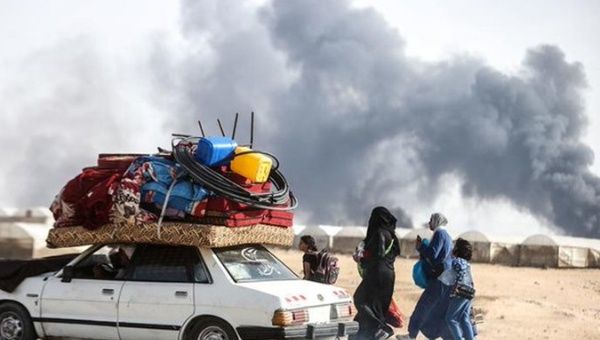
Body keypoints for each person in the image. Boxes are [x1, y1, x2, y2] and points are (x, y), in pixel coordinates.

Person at [398, 213, 454, 340]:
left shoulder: (439, 234)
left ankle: (411, 335)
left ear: (436, 221)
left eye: (431, 220)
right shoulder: (448, 236)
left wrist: (421, 247)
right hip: (447, 279)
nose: (429, 223)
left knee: (423, 307)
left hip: (439, 278)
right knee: (439, 309)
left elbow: (433, 254)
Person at [353, 207, 400, 340]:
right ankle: (372, 333)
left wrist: (361, 258)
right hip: (389, 274)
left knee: (359, 299)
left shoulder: (379, 232)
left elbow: (378, 254)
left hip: (377, 273)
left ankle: (382, 328)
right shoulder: (392, 235)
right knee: (376, 308)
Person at [442, 238, 476, 340]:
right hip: (470, 292)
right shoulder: (466, 263)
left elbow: (457, 274)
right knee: (465, 318)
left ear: (458, 249)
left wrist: (457, 286)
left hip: (461, 291)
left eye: (454, 246)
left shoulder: (456, 261)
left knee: (450, 319)